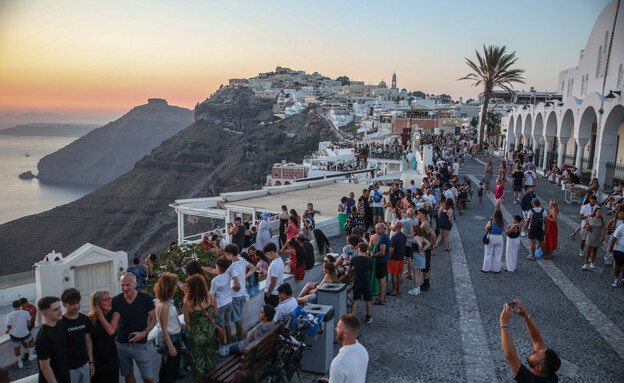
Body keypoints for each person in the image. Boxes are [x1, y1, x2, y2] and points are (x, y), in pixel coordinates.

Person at [500, 299, 561, 382]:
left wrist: (503, 322)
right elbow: (537, 341)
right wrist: (525, 315)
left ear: (538, 368)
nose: (533, 351)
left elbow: (510, 355)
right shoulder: (551, 375)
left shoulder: (530, 380)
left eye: (535, 355)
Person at [112, 273, 157, 383]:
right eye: (122, 285)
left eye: (128, 285)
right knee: (128, 375)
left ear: (135, 284)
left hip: (140, 344)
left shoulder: (145, 298)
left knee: (148, 378)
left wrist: (144, 333)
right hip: (121, 344)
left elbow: (153, 319)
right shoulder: (116, 300)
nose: (125, 288)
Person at [183, 274, 217, 382]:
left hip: (197, 337)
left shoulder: (188, 303)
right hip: (211, 333)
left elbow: (187, 321)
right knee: (210, 357)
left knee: (198, 362)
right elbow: (215, 314)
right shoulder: (211, 296)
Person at [318, 314, 369, 383]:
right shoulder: (363, 351)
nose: (336, 329)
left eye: (338, 327)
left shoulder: (338, 364)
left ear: (345, 333)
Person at [59, 288, 94, 383]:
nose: (76, 306)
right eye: (72, 304)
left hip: (84, 364)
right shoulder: (60, 323)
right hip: (69, 368)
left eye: (77, 302)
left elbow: (88, 341)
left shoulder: (84, 319)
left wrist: (91, 362)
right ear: (64, 304)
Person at [154, 273, 183, 383]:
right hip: (170, 340)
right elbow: (163, 328)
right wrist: (171, 347)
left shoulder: (166, 302)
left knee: (169, 368)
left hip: (174, 337)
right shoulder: (163, 305)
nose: (176, 288)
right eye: (174, 285)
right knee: (170, 371)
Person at [224, 244, 256, 342]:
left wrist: (232, 286)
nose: (226, 256)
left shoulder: (232, 268)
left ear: (231, 254)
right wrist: (245, 276)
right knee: (238, 318)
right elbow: (253, 268)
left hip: (234, 295)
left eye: (227, 254)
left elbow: (236, 285)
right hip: (242, 294)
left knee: (237, 320)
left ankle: (240, 339)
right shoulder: (242, 260)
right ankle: (240, 337)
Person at [36, 296, 70, 383]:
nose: (60, 311)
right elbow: (45, 367)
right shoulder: (43, 337)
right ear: (44, 314)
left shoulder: (60, 324)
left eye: (59, 307)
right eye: (55, 310)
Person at [88, 290, 119, 383]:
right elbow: (88, 341)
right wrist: (91, 361)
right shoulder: (89, 319)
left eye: (109, 299)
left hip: (111, 357)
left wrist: (101, 317)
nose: (109, 302)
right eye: (105, 300)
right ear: (97, 304)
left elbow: (111, 331)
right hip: (96, 358)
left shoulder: (115, 314)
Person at [209, 256, 234, 355]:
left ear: (218, 267)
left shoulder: (215, 281)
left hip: (220, 305)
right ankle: (229, 345)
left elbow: (212, 296)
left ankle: (222, 347)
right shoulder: (229, 273)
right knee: (228, 324)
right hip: (229, 302)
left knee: (221, 327)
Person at [6, 299, 35, 369]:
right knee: (31, 340)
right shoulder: (26, 313)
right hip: (25, 333)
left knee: (16, 348)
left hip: (15, 335)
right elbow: (29, 323)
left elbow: (9, 326)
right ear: (20, 305)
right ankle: (31, 355)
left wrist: (9, 330)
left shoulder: (9, 315)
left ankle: (20, 362)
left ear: (13, 306)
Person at [349, 243, 373, 324]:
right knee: (368, 300)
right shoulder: (369, 259)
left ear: (359, 249)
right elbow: (370, 269)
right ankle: (368, 316)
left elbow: (350, 269)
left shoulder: (354, 259)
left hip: (357, 281)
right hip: (366, 281)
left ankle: (352, 317)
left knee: (355, 300)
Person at [417, 208, 436, 291]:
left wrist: (433, 245)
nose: (418, 215)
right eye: (418, 213)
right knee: (424, 267)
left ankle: (426, 284)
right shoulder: (423, 223)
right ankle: (425, 283)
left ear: (424, 215)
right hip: (424, 247)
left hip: (426, 248)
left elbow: (433, 235)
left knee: (426, 267)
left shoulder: (425, 224)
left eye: (420, 213)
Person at [371, 223, 390, 305]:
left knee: (380, 279)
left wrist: (373, 255)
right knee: (383, 278)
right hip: (384, 261)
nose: (376, 230)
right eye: (375, 228)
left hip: (380, 261)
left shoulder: (382, 238)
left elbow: (382, 252)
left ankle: (381, 299)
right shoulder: (385, 237)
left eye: (378, 228)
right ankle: (383, 296)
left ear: (383, 229)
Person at [409, 225, 431, 295]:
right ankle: (418, 289)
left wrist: (420, 251)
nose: (411, 230)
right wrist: (423, 251)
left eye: (412, 229)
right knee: (419, 275)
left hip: (417, 256)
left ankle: (415, 289)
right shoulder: (422, 237)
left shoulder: (415, 238)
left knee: (416, 274)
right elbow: (428, 243)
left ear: (415, 231)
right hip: (422, 258)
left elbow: (420, 245)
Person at [399, 208, 419, 280]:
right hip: (413, 241)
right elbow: (408, 218)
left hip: (405, 242)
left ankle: (409, 273)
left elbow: (397, 222)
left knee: (407, 258)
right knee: (410, 258)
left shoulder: (405, 222)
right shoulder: (416, 220)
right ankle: (410, 271)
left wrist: (397, 214)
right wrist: (403, 213)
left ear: (408, 214)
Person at [388, 222, 406, 296]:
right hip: (401, 257)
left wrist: (388, 257)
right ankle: (398, 289)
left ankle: (394, 290)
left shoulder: (394, 237)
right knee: (399, 274)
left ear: (395, 227)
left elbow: (392, 249)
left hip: (394, 258)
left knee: (394, 275)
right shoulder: (404, 236)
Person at [263, 242, 284, 307]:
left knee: (270, 313)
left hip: (272, 293)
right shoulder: (280, 260)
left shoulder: (274, 265)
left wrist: (268, 293)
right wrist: (267, 272)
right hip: (276, 291)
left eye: (267, 254)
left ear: (272, 252)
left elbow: (273, 282)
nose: (266, 256)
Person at [607, 222, 624, 287]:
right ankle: (616, 278)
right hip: (619, 249)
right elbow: (614, 238)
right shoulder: (621, 227)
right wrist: (611, 248)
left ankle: (623, 279)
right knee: (618, 265)